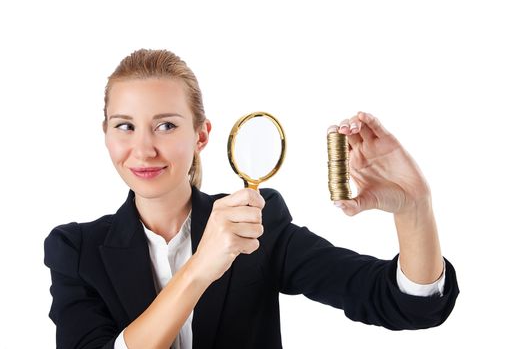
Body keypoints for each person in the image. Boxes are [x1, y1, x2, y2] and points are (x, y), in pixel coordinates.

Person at [44, 49, 459, 349]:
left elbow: (407, 305)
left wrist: (414, 208)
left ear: (201, 135)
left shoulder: (258, 224)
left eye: (166, 126)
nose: (144, 149)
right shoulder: (75, 250)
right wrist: (197, 271)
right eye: (124, 126)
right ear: (105, 134)